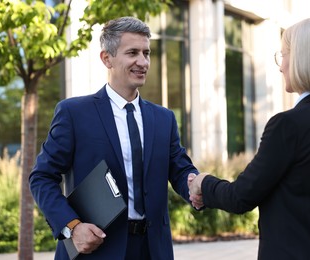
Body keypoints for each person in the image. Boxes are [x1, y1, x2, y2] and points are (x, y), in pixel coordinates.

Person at [188, 17, 310, 259]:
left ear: (301, 59)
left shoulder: (287, 125)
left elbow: (241, 197)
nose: (281, 65)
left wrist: (203, 183)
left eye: (284, 55)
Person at [29, 16, 199, 260]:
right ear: (106, 58)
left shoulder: (164, 118)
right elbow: (42, 177)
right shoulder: (74, 113)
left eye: (146, 53)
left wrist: (195, 184)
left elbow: (180, 170)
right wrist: (73, 227)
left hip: (153, 250)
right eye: (132, 53)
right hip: (95, 250)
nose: (143, 62)